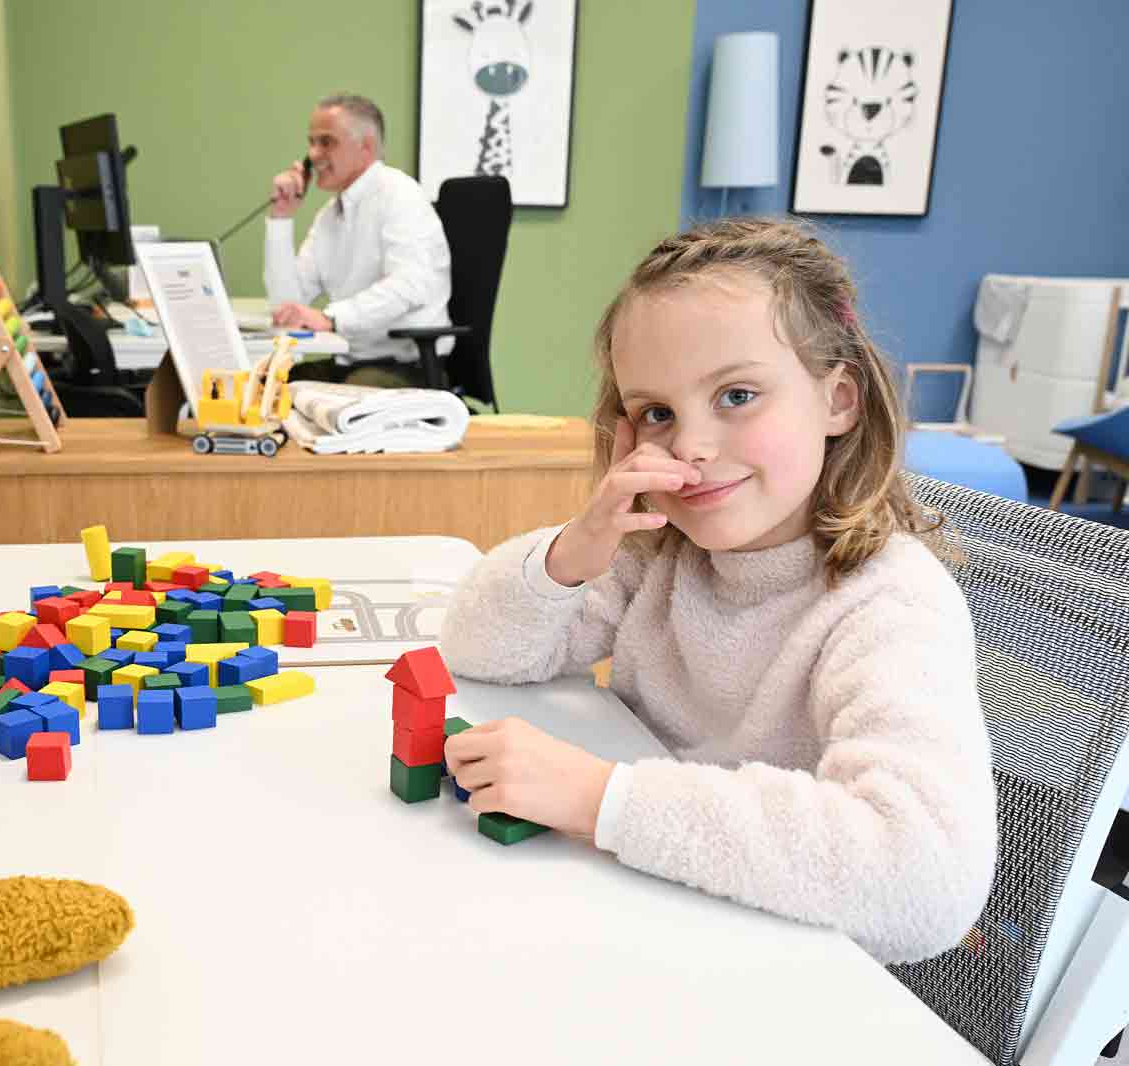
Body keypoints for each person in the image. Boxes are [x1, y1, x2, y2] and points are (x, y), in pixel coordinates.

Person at [437, 217, 997, 964]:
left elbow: (924, 881)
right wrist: (576, 549)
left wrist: (599, 799)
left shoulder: (891, 602)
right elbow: (479, 651)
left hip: (775, 967)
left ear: (839, 402)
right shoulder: (664, 553)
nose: (691, 448)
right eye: (656, 414)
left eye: (737, 394)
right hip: (651, 915)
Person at [264, 93, 451, 389]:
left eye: (326, 142)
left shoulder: (400, 195)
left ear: (366, 147)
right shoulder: (329, 215)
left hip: (404, 369)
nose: (312, 154)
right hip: (349, 363)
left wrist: (331, 318)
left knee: (341, 402)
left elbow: (410, 285)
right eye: (311, 142)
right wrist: (281, 218)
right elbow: (287, 306)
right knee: (265, 387)